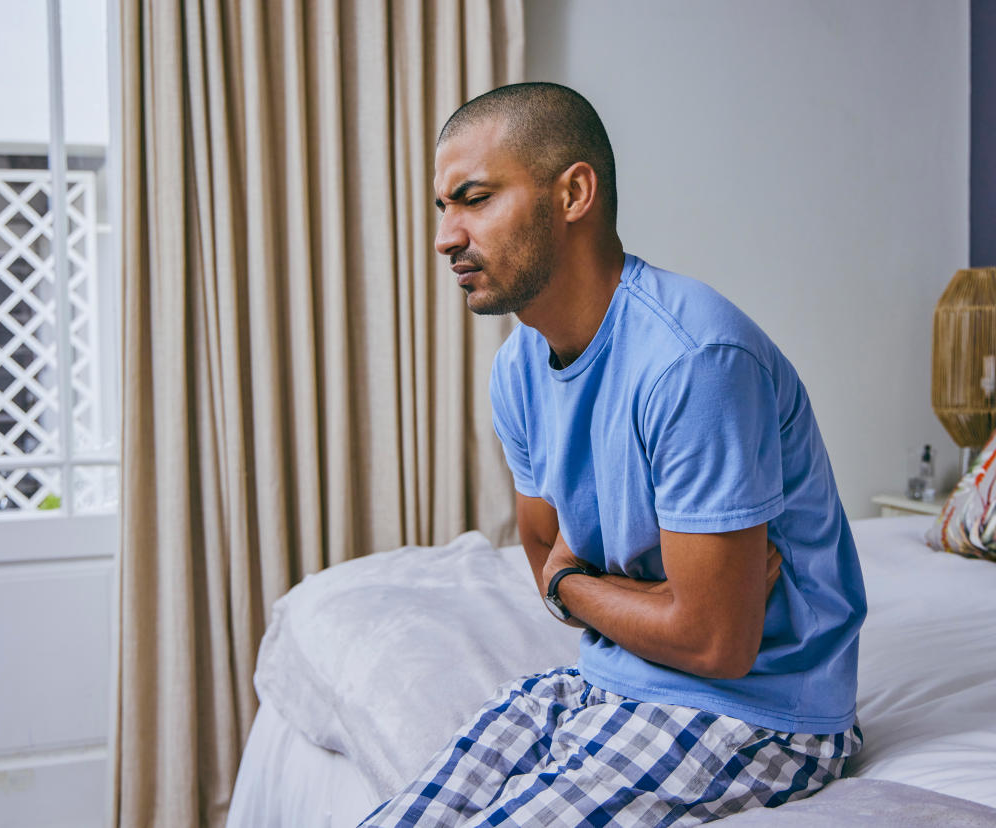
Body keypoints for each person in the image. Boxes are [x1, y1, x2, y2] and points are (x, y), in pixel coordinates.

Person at [360, 82, 866, 827]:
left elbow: (715, 643)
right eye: (443, 208)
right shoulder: (517, 369)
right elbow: (546, 562)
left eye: (473, 198)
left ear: (572, 194)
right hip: (610, 679)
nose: (445, 236)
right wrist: (598, 592)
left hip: (759, 715)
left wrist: (578, 585)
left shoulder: (694, 362)